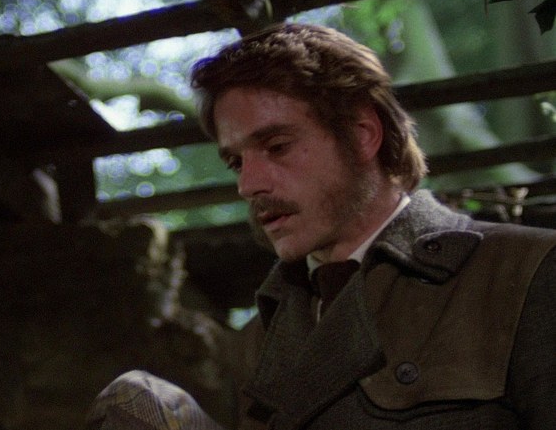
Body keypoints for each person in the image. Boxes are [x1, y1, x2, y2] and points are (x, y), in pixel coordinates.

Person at [86, 23, 556, 430]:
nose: (248, 184)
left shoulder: (523, 273)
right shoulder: (259, 339)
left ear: (362, 134)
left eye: (277, 146)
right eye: (236, 162)